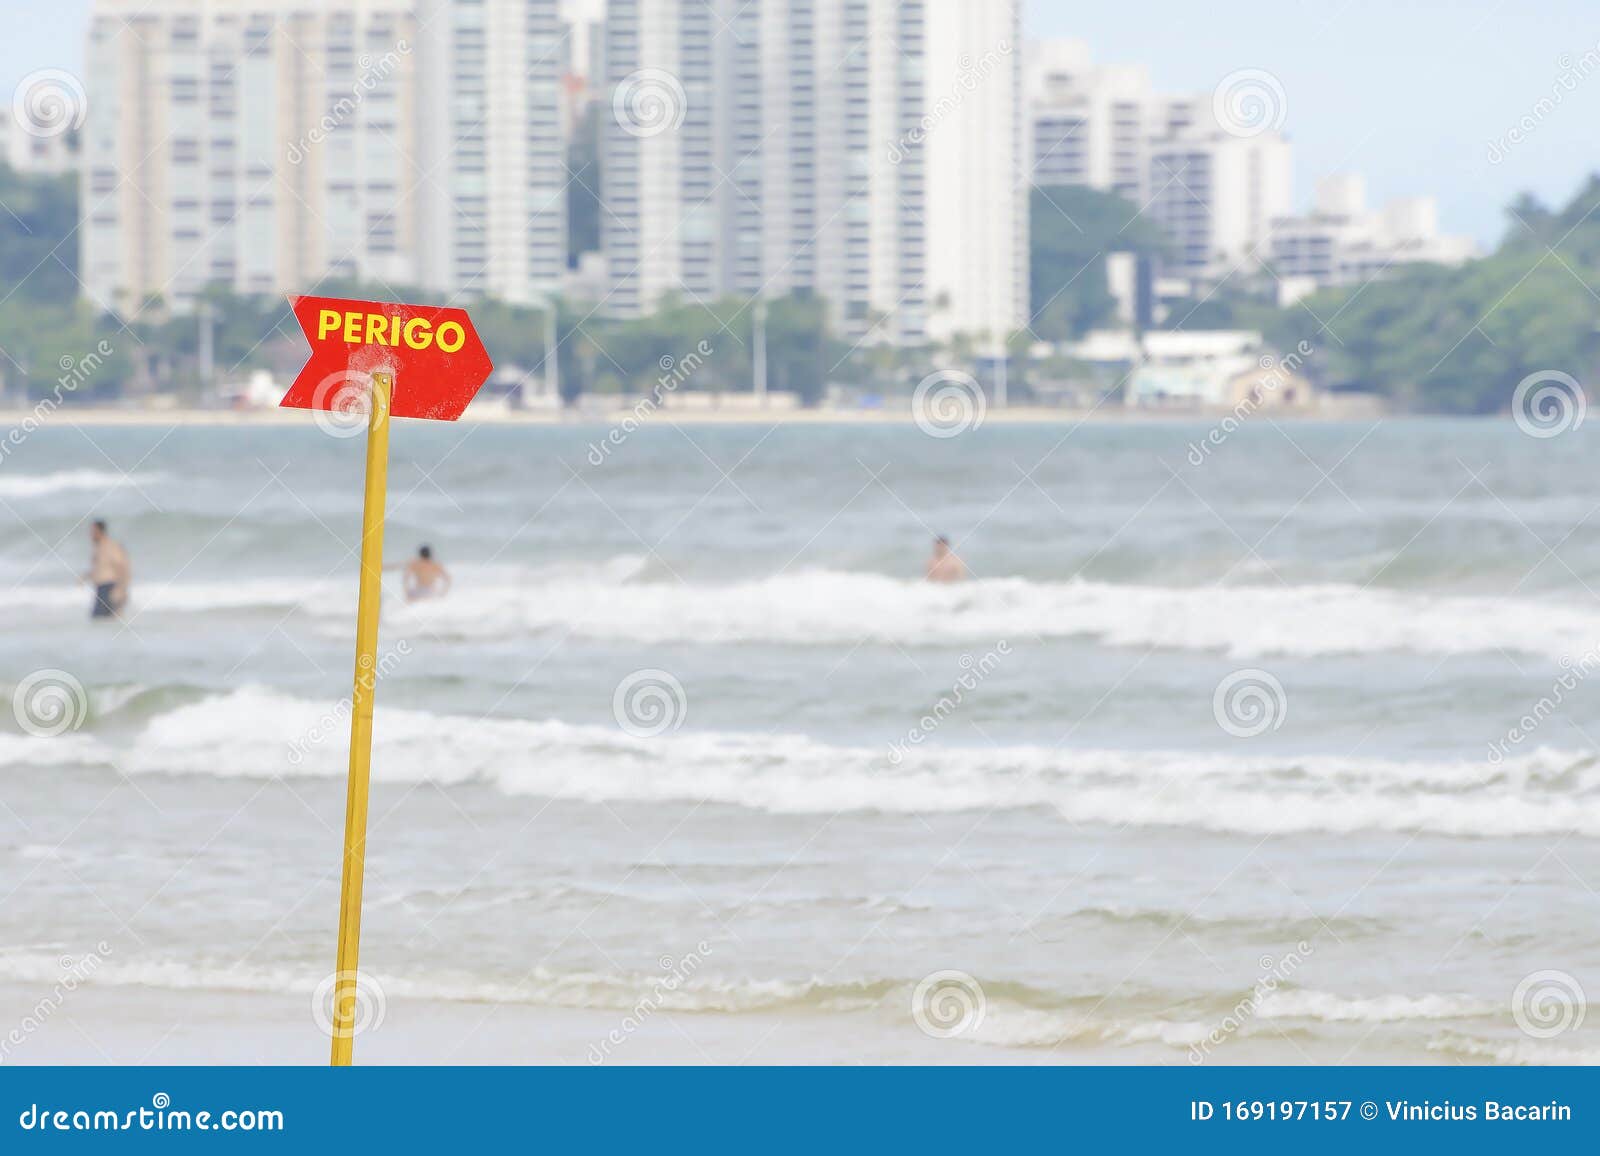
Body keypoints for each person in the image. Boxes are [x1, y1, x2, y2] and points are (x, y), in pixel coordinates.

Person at [84, 519, 131, 619]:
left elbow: (123, 568)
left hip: (110, 588)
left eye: (92, 531)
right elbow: (100, 568)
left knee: (104, 621)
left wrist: (121, 589)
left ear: (99, 531)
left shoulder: (111, 546)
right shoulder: (98, 547)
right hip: (100, 589)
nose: (90, 534)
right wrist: (85, 576)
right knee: (99, 623)